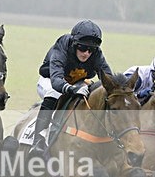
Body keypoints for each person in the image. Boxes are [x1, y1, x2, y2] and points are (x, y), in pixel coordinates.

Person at [30, 19, 113, 156]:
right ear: (74, 44)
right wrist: (72, 89)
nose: (86, 53)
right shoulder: (62, 45)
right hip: (50, 80)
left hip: (76, 82)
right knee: (54, 93)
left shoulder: (96, 53)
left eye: (91, 50)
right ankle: (37, 141)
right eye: (82, 48)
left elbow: (108, 78)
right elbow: (56, 80)